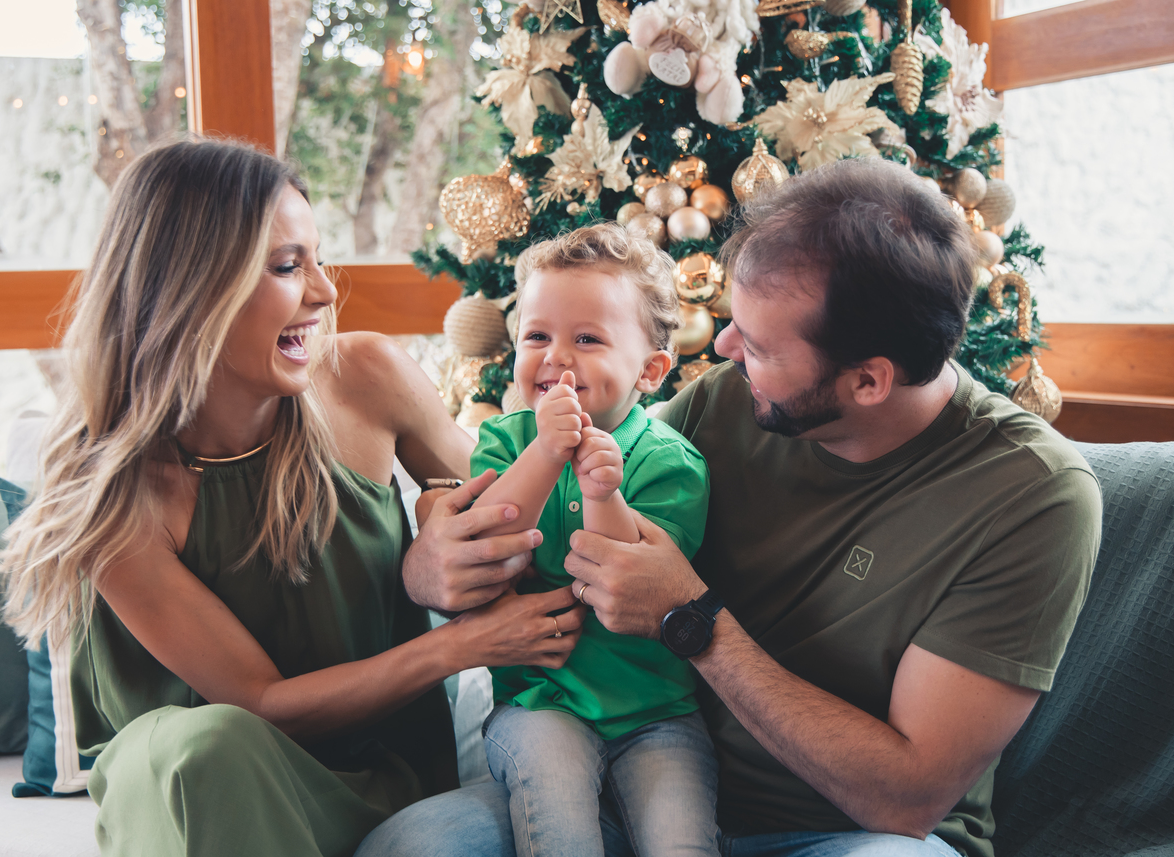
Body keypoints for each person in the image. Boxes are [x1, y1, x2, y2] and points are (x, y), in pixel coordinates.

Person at [365, 157, 1102, 857]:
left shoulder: (1030, 494)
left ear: (868, 381)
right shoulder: (730, 400)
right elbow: (570, 484)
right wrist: (435, 560)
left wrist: (692, 620)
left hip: (844, 831)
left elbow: (905, 799)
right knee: (414, 846)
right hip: (630, 787)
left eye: (757, 345)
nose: (721, 348)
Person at [0, 138, 586, 857]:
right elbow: (261, 704)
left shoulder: (365, 376)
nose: (325, 293)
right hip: (197, 787)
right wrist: (460, 645)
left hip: (382, 768)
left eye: (317, 259)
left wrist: (441, 517)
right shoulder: (116, 498)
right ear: (190, 286)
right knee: (215, 746)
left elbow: (514, 505)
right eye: (286, 266)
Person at [463, 225, 717, 857]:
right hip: (540, 703)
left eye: (587, 339)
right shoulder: (504, 442)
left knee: (681, 843)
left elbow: (629, 587)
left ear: (650, 370)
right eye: (537, 336)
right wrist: (546, 453)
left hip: (656, 710)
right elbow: (486, 546)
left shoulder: (670, 462)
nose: (556, 358)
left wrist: (603, 494)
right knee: (558, 827)